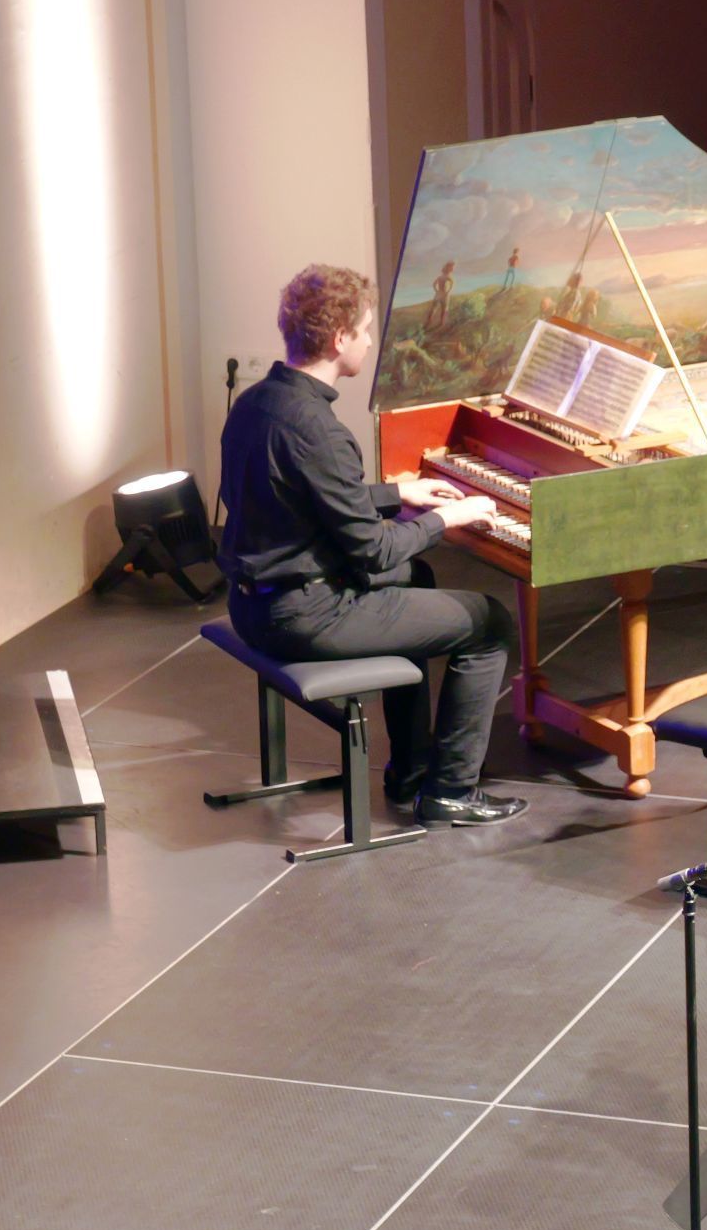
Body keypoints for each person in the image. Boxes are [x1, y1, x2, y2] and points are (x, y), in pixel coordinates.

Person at [218, 264, 526, 826]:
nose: (368, 340)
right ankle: (452, 789)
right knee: (491, 623)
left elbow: (299, 492)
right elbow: (374, 553)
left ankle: (410, 771)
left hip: (251, 602)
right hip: (303, 616)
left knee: (419, 581)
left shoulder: (257, 402)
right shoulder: (321, 430)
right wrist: (447, 518)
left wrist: (396, 492)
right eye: (363, 330)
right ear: (339, 340)